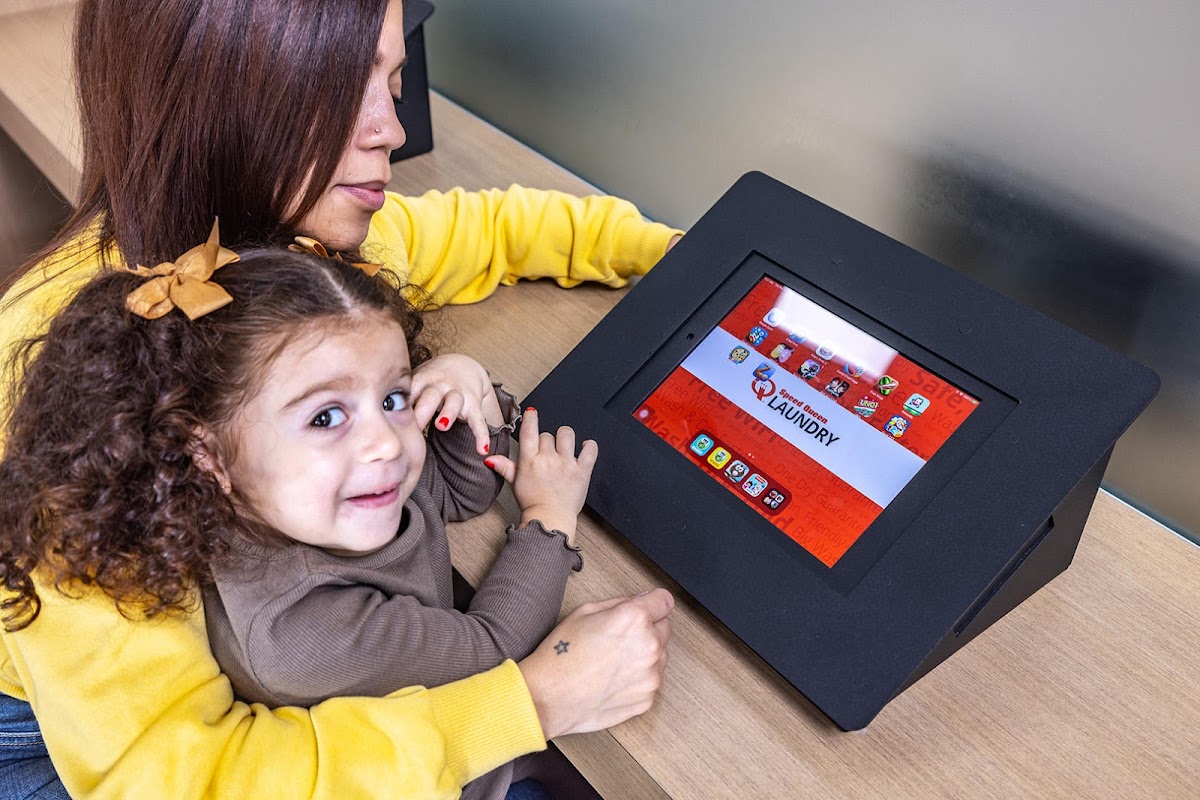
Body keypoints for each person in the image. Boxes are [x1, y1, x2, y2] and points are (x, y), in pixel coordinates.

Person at [0, 0, 681, 796]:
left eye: (394, 80)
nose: (390, 129)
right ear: (219, 93)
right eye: (342, 86)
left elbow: (489, 227)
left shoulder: (298, 256)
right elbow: (181, 777)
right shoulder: (72, 399)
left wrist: (680, 256)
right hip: (58, 744)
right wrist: (537, 699)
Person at [2, 236, 600, 800]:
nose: (385, 444)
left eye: (391, 398)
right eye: (325, 417)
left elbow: (454, 493)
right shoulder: (300, 631)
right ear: (206, 453)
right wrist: (549, 518)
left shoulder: (312, 494)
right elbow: (492, 648)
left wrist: (465, 384)